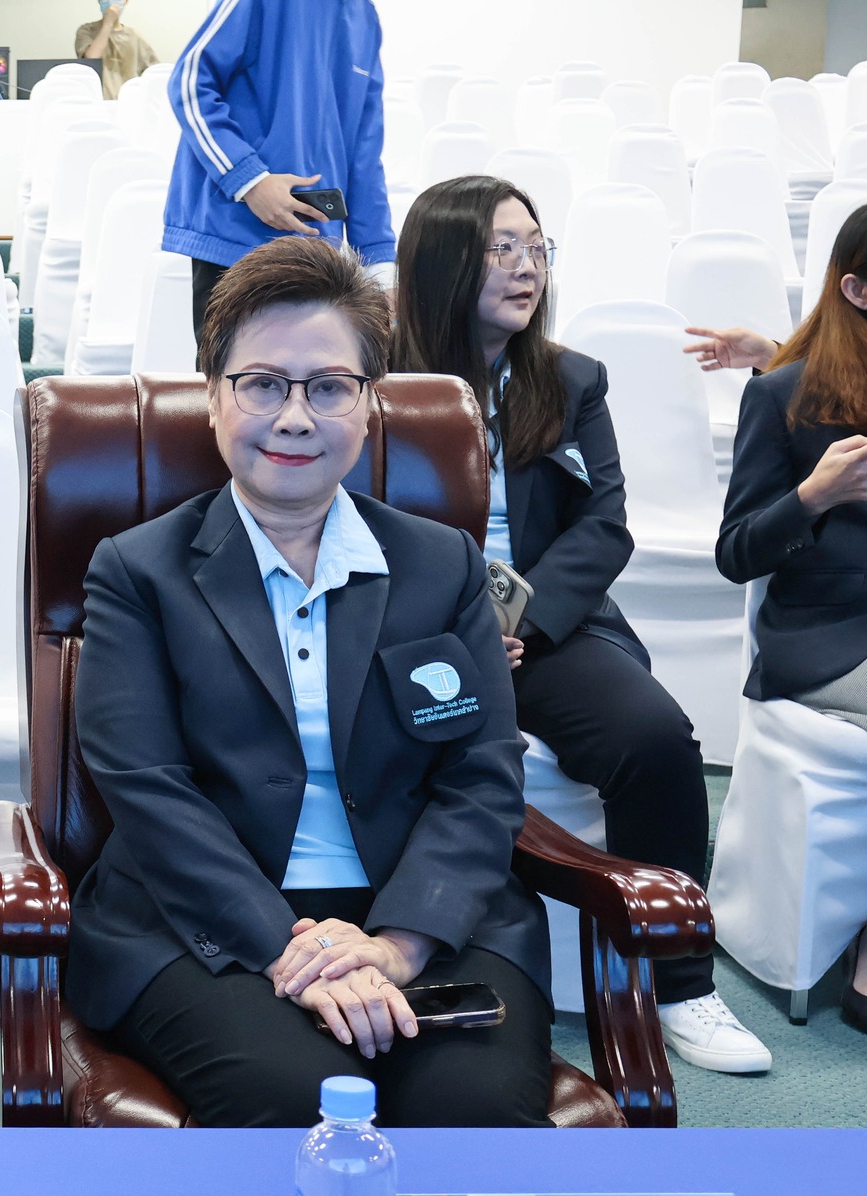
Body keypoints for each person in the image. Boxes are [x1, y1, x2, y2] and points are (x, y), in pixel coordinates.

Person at [70, 236, 552, 1128]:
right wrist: (289, 949)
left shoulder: (442, 565)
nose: (295, 417)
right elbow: (148, 788)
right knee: (293, 1100)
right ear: (213, 397)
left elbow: (482, 776)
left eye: (329, 387)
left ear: (370, 405)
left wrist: (398, 945)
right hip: (205, 920)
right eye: (262, 384)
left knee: (473, 1106)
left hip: (423, 908)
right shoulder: (138, 572)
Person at [391, 176, 771, 1072]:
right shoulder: (376, 376)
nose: (527, 267)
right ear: (445, 261)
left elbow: (604, 524)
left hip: (541, 629)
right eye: (502, 249)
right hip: (407, 630)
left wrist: (521, 621)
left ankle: (679, 982)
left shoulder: (570, 379)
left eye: (537, 247)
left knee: (656, 738)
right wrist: (451, 630)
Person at [716, 202, 867, 1033]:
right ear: (857, 289)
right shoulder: (784, 395)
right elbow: (735, 551)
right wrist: (814, 496)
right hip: (826, 639)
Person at [165, 0, 394, 357]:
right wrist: (250, 180)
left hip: (319, 252)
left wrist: (380, 263)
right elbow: (189, 82)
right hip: (236, 237)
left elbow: (365, 151)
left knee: (312, 380)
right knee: (237, 379)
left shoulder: (364, 16)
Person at [76, 0, 160, 101]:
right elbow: (91, 59)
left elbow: (155, 72)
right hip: (99, 101)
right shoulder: (87, 30)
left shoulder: (134, 36)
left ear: (125, 2)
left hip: (129, 101)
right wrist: (108, 24)